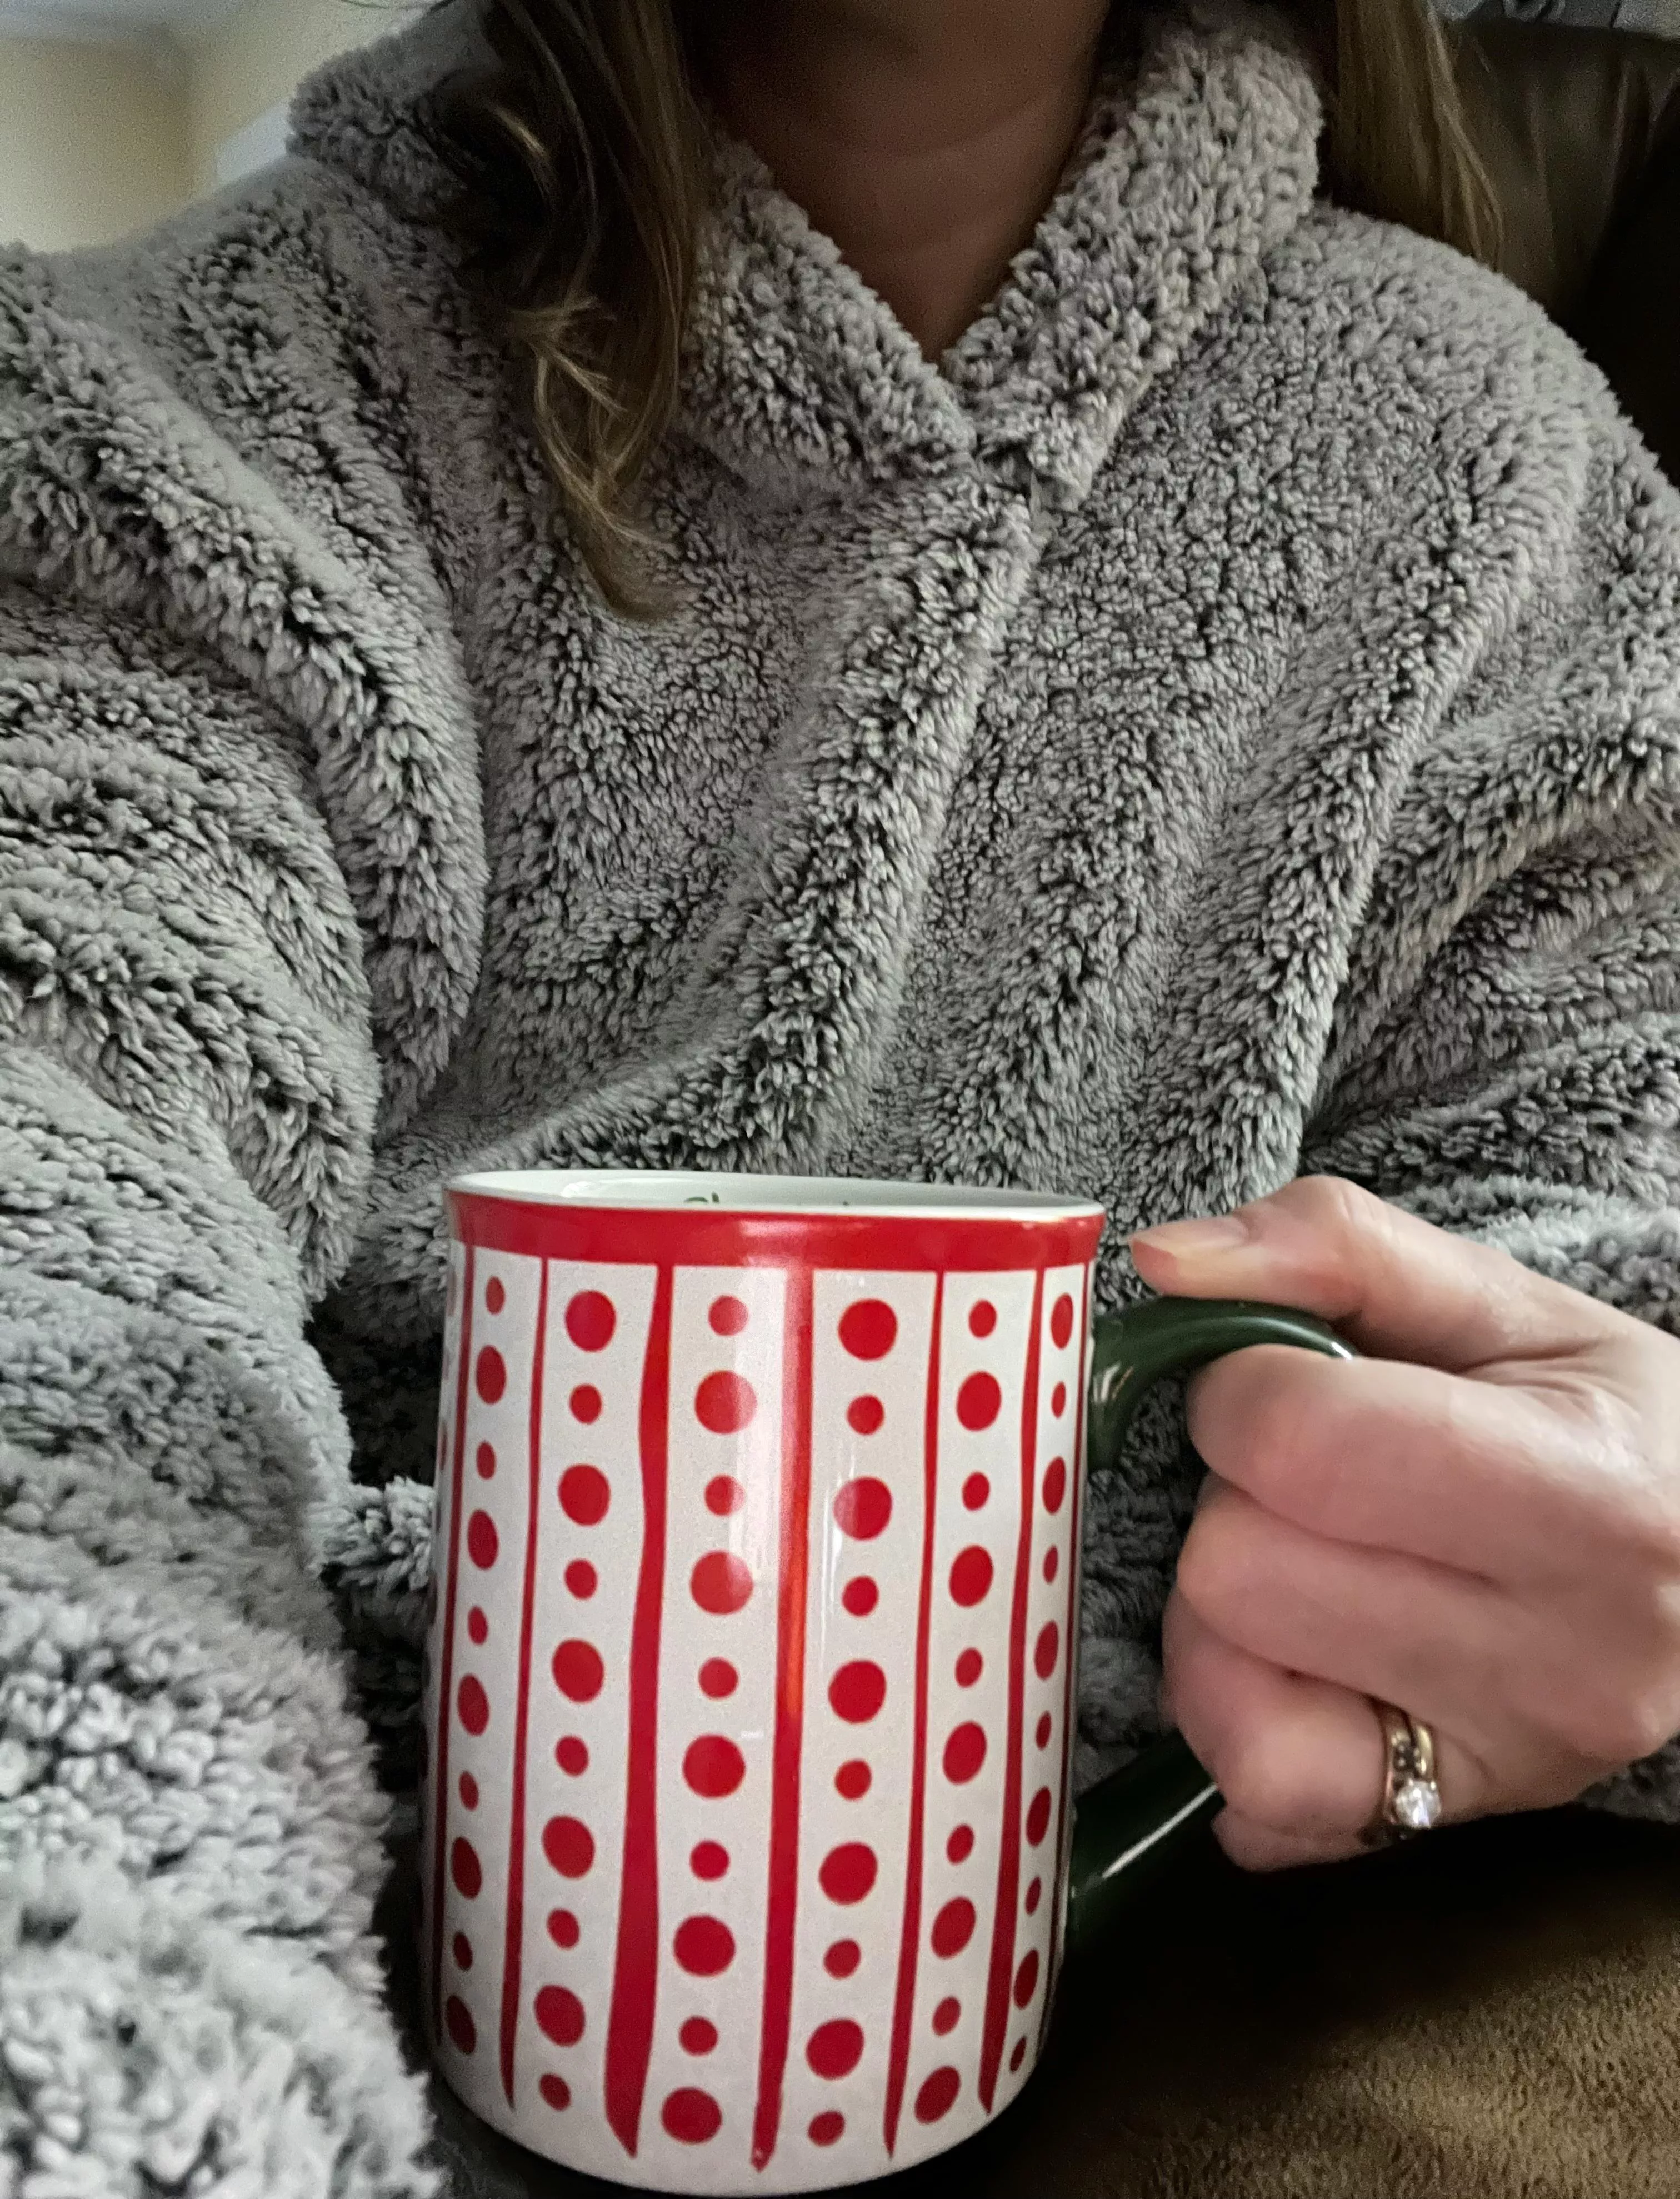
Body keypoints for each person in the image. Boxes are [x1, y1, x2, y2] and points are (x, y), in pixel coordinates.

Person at [2, 0, 1679, 2186]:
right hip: (337, 1916)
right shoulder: (171, 402)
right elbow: (62, 1307)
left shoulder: (1505, 467)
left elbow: (1621, 1169)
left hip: (1176, 1945)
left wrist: (1572, 1501)